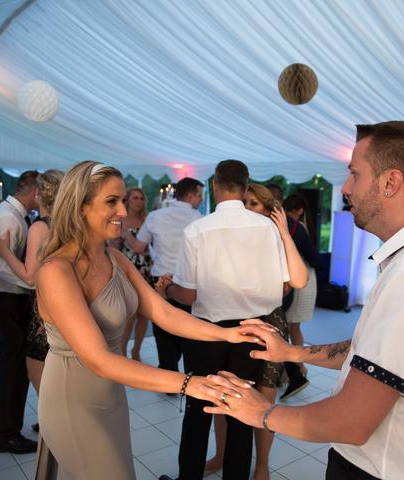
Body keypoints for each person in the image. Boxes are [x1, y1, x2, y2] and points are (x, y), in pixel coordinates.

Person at [202, 121, 404, 479]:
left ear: (391, 182)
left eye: (354, 174)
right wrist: (292, 353)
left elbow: (351, 421)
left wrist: (261, 413)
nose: (346, 188)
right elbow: (368, 351)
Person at [33, 160, 271, 479]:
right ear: (80, 207)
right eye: (111, 201)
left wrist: (226, 334)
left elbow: (163, 312)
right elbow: (100, 360)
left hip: (110, 393)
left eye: (123, 200)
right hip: (74, 398)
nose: (122, 211)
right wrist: (190, 383)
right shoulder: (56, 271)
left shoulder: (115, 258)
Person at [157, 160, 305, 480]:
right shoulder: (267, 228)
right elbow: (286, 283)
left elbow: (187, 295)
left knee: (198, 410)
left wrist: (166, 288)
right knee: (241, 412)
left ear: (214, 186)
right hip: (253, 330)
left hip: (207, 334)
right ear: (245, 186)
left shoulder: (198, 230)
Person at [203, 182, 307, 480]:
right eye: (244, 202)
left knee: (264, 399)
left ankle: (262, 464)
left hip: (269, 325)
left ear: (268, 209)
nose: (246, 209)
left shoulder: (274, 237)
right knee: (225, 394)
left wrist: (284, 232)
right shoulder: (227, 236)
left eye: (253, 204)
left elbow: (297, 281)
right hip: (233, 324)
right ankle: (221, 455)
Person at [0, 170, 40, 454]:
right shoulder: (7, 218)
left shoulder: (12, 215)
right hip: (7, 298)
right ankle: (7, 434)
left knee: (7, 365)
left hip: (6, 298)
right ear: (36, 192)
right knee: (15, 369)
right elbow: (2, 268)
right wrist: (33, 282)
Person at [0, 169, 64, 399]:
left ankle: (52, 419)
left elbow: (30, 277)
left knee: (41, 379)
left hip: (45, 309)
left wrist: (4, 251)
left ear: (38, 193)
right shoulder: (68, 225)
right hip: (65, 303)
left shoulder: (40, 227)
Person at [121, 177, 204, 373]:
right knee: (188, 328)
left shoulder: (155, 216)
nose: (201, 199)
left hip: (159, 280)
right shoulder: (200, 220)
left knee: (162, 329)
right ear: (190, 196)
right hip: (188, 281)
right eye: (199, 195)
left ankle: (168, 370)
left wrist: (125, 234)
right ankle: (187, 374)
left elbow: (139, 247)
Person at [281, 193, 320, 400]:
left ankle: (299, 368)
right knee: (290, 326)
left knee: (293, 326)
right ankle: (293, 369)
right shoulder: (299, 227)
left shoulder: (298, 228)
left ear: (299, 211)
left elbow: (313, 259)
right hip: (299, 279)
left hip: (301, 282)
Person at [109, 187, 153, 361]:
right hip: (128, 268)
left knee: (144, 314)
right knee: (129, 314)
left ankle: (136, 351)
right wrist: (118, 238)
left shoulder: (147, 220)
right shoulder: (120, 220)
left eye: (141, 198)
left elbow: (151, 246)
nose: (139, 201)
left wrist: (129, 237)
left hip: (146, 268)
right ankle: (122, 351)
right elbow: (113, 247)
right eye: (135, 198)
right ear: (127, 200)